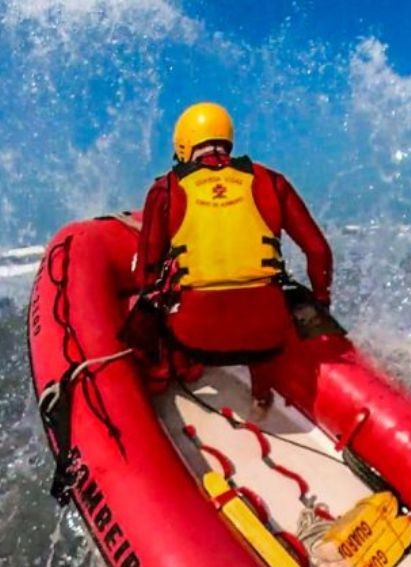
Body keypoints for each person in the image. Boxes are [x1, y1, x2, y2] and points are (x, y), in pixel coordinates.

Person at [128, 102, 333, 415]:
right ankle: (261, 398)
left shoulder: (166, 188)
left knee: (150, 299)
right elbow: (318, 251)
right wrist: (320, 299)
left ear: (183, 144)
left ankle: (172, 374)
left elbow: (146, 271)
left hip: (194, 335)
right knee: (267, 298)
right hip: (266, 336)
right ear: (227, 140)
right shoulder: (272, 181)